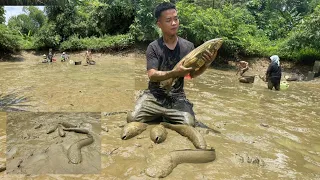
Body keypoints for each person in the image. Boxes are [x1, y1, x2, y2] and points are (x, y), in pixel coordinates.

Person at [127, 2, 216, 127]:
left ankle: (164, 117)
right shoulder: (153, 47)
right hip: (155, 96)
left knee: (189, 124)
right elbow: (152, 75)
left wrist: (207, 63)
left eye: (176, 19)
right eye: (168, 20)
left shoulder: (188, 46)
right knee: (132, 118)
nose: (174, 23)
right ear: (159, 24)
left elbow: (192, 74)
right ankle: (161, 114)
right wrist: (175, 73)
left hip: (177, 97)